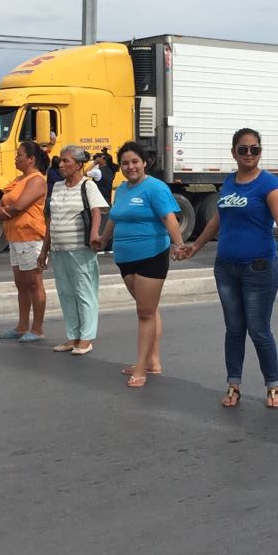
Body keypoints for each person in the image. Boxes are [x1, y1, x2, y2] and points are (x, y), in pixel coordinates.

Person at [184, 128, 278, 409]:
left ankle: (273, 387)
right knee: (234, 328)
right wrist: (197, 245)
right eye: (243, 149)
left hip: (259, 266)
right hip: (226, 267)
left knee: (259, 329)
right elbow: (218, 218)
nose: (249, 154)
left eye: (255, 149)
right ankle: (233, 385)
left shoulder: (269, 184)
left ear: (260, 152)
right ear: (234, 153)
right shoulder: (229, 182)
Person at [91, 141, 186, 388]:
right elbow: (113, 217)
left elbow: (169, 219)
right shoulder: (121, 189)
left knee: (144, 313)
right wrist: (103, 239)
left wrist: (178, 244)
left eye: (135, 161)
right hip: (124, 257)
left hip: (151, 255)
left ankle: (142, 367)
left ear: (145, 162)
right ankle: (152, 360)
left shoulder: (155, 188)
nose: (130, 167)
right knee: (150, 309)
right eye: (125, 163)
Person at [40, 145, 108, 355]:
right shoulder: (58, 186)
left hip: (80, 248)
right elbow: (51, 220)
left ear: (78, 164)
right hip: (59, 248)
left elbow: (97, 212)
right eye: (60, 161)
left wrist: (94, 235)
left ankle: (86, 338)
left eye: (66, 161)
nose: (61, 165)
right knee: (66, 293)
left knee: (84, 292)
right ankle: (73, 336)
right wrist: (45, 250)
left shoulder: (87, 186)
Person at [0, 141, 50, 343]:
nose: (16, 158)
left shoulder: (36, 180)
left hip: (30, 236)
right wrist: (2, 210)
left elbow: (17, 206)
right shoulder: (19, 179)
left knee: (34, 283)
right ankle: (21, 325)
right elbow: (0, 203)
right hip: (15, 236)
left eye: (19, 155)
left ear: (31, 159)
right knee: (21, 283)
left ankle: (37, 328)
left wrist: (2, 212)